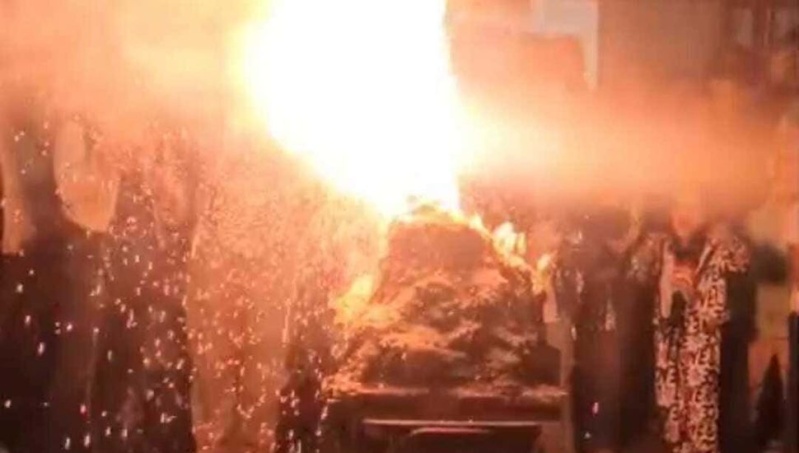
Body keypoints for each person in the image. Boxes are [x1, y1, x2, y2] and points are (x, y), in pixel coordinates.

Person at [0, 88, 118, 452]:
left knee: (61, 369)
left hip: (64, 243)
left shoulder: (80, 111)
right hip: (44, 245)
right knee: (46, 366)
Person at [94, 120, 198, 453]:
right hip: (116, 284)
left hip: (154, 286)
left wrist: (164, 186)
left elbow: (178, 214)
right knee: (113, 374)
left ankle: (141, 438)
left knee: (150, 372)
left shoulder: (168, 150)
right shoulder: (114, 146)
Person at [630, 190, 753, 453]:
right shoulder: (661, 247)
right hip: (667, 350)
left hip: (704, 350)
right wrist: (643, 237)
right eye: (678, 206)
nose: (683, 214)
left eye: (692, 207)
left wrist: (727, 235)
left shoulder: (717, 247)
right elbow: (636, 271)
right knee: (671, 428)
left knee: (701, 428)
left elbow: (743, 260)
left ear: (705, 214)